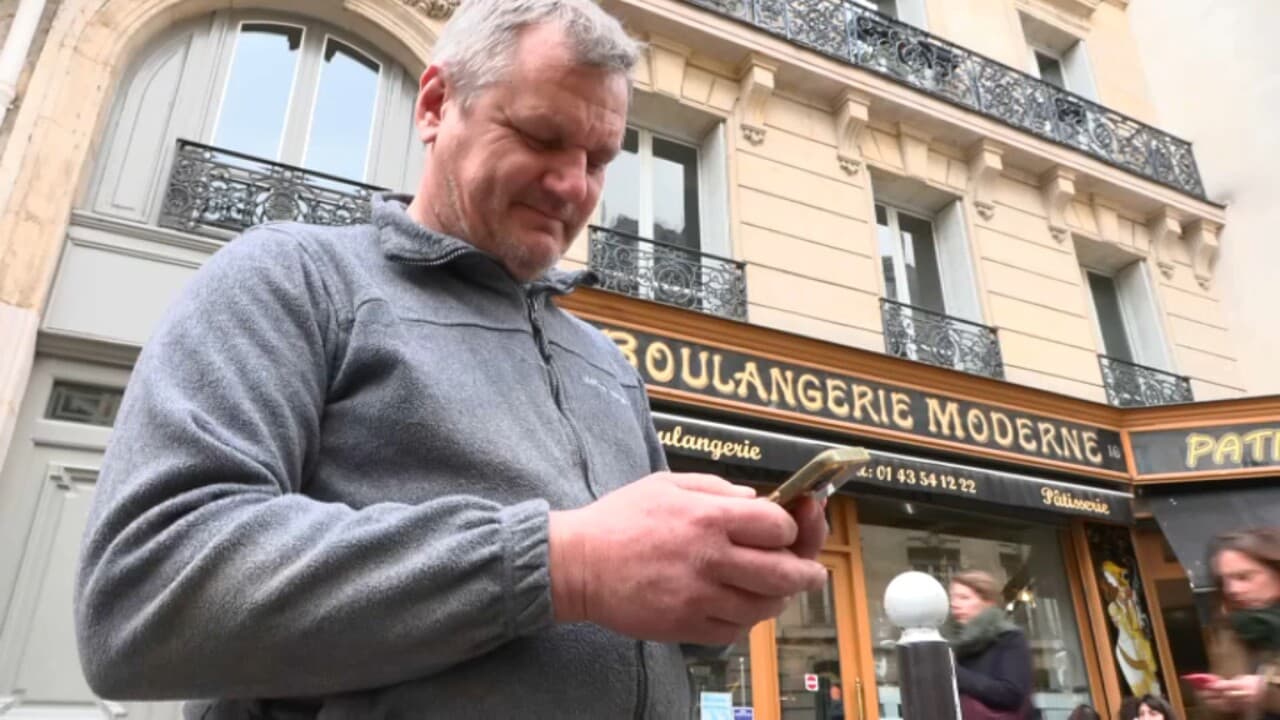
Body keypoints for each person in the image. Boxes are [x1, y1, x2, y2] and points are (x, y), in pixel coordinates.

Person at [72, 1, 830, 717]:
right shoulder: (292, 280)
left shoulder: (603, 361)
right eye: (539, 136)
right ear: (436, 106)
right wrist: (566, 564)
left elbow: (651, 631)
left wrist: (725, 583)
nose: (574, 185)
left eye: (600, 159)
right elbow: (141, 595)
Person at [1195, 528, 1280, 720]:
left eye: (1244, 577)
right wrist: (1218, 705)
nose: (1232, 589)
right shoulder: (1230, 632)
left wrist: (1265, 691)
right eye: (1224, 581)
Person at [948, 570, 1038, 719]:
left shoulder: (1010, 637)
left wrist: (953, 673)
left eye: (964, 597)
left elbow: (1011, 695)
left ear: (987, 602)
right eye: (952, 598)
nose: (955, 604)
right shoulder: (954, 644)